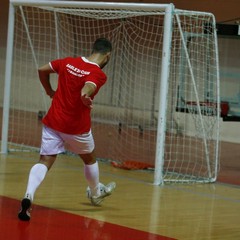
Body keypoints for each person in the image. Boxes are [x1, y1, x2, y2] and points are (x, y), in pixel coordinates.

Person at [18, 38, 116, 221]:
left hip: (53, 123)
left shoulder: (69, 62)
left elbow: (42, 69)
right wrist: (85, 94)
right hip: (76, 128)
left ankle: (28, 196)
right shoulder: (98, 73)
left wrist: (49, 91)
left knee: (45, 160)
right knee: (89, 158)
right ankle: (96, 193)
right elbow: (89, 85)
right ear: (107, 56)